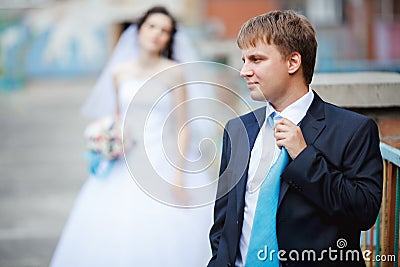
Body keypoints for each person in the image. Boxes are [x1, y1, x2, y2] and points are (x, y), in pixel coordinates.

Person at [208, 10, 383, 267]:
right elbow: (223, 223)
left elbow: (363, 212)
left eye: (256, 59)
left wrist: (304, 156)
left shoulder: (354, 130)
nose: (244, 70)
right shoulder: (237, 130)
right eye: (244, 60)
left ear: (293, 63)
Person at [50, 6, 213, 267]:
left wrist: (180, 174)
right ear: (138, 30)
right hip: (125, 159)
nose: (156, 34)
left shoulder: (174, 72)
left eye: (164, 31)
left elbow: (184, 126)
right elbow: (118, 117)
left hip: (163, 157)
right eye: (151, 27)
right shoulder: (119, 72)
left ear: (169, 39)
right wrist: (108, 138)